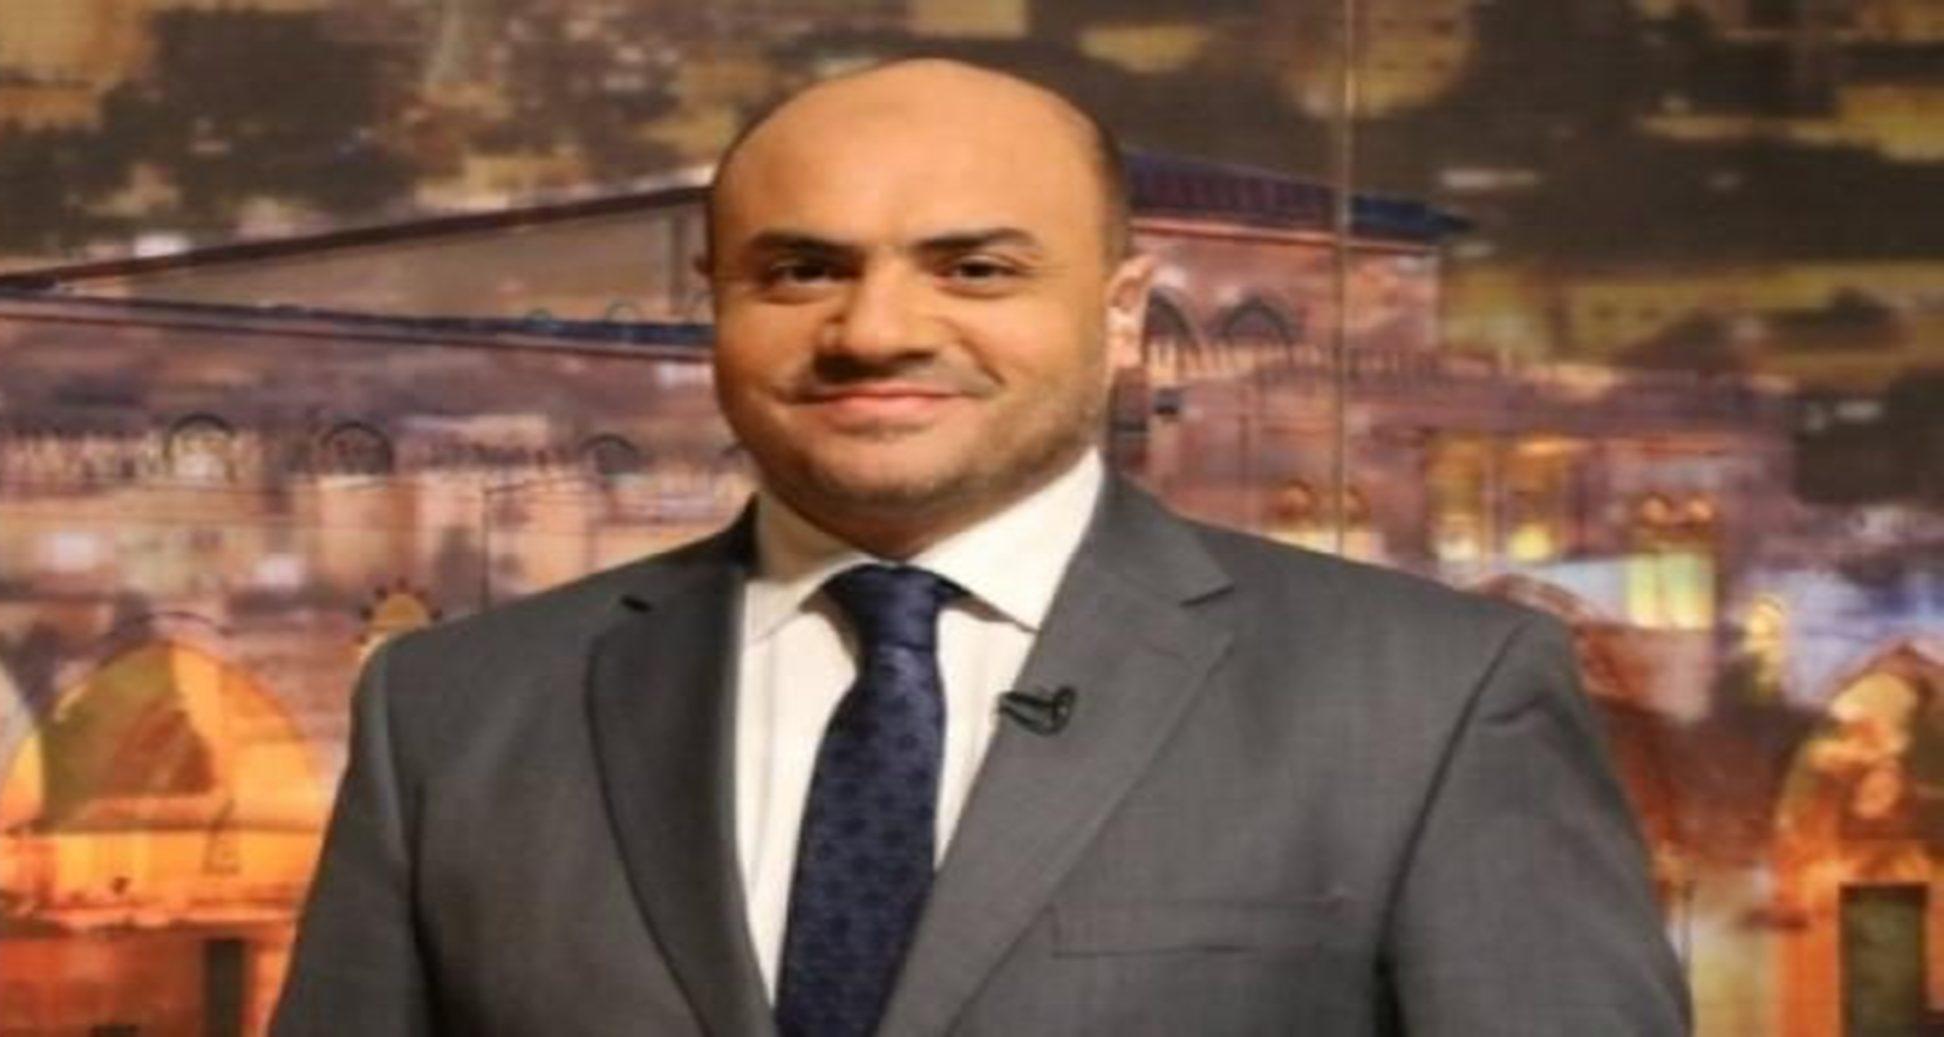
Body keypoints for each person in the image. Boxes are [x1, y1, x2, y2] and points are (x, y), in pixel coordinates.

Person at [273, 58, 1690, 1036]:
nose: (877, 330)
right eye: (803, 269)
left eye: (977, 269)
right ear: (715, 304)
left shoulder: (1428, 699)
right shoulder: (457, 711)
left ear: (1124, 314)